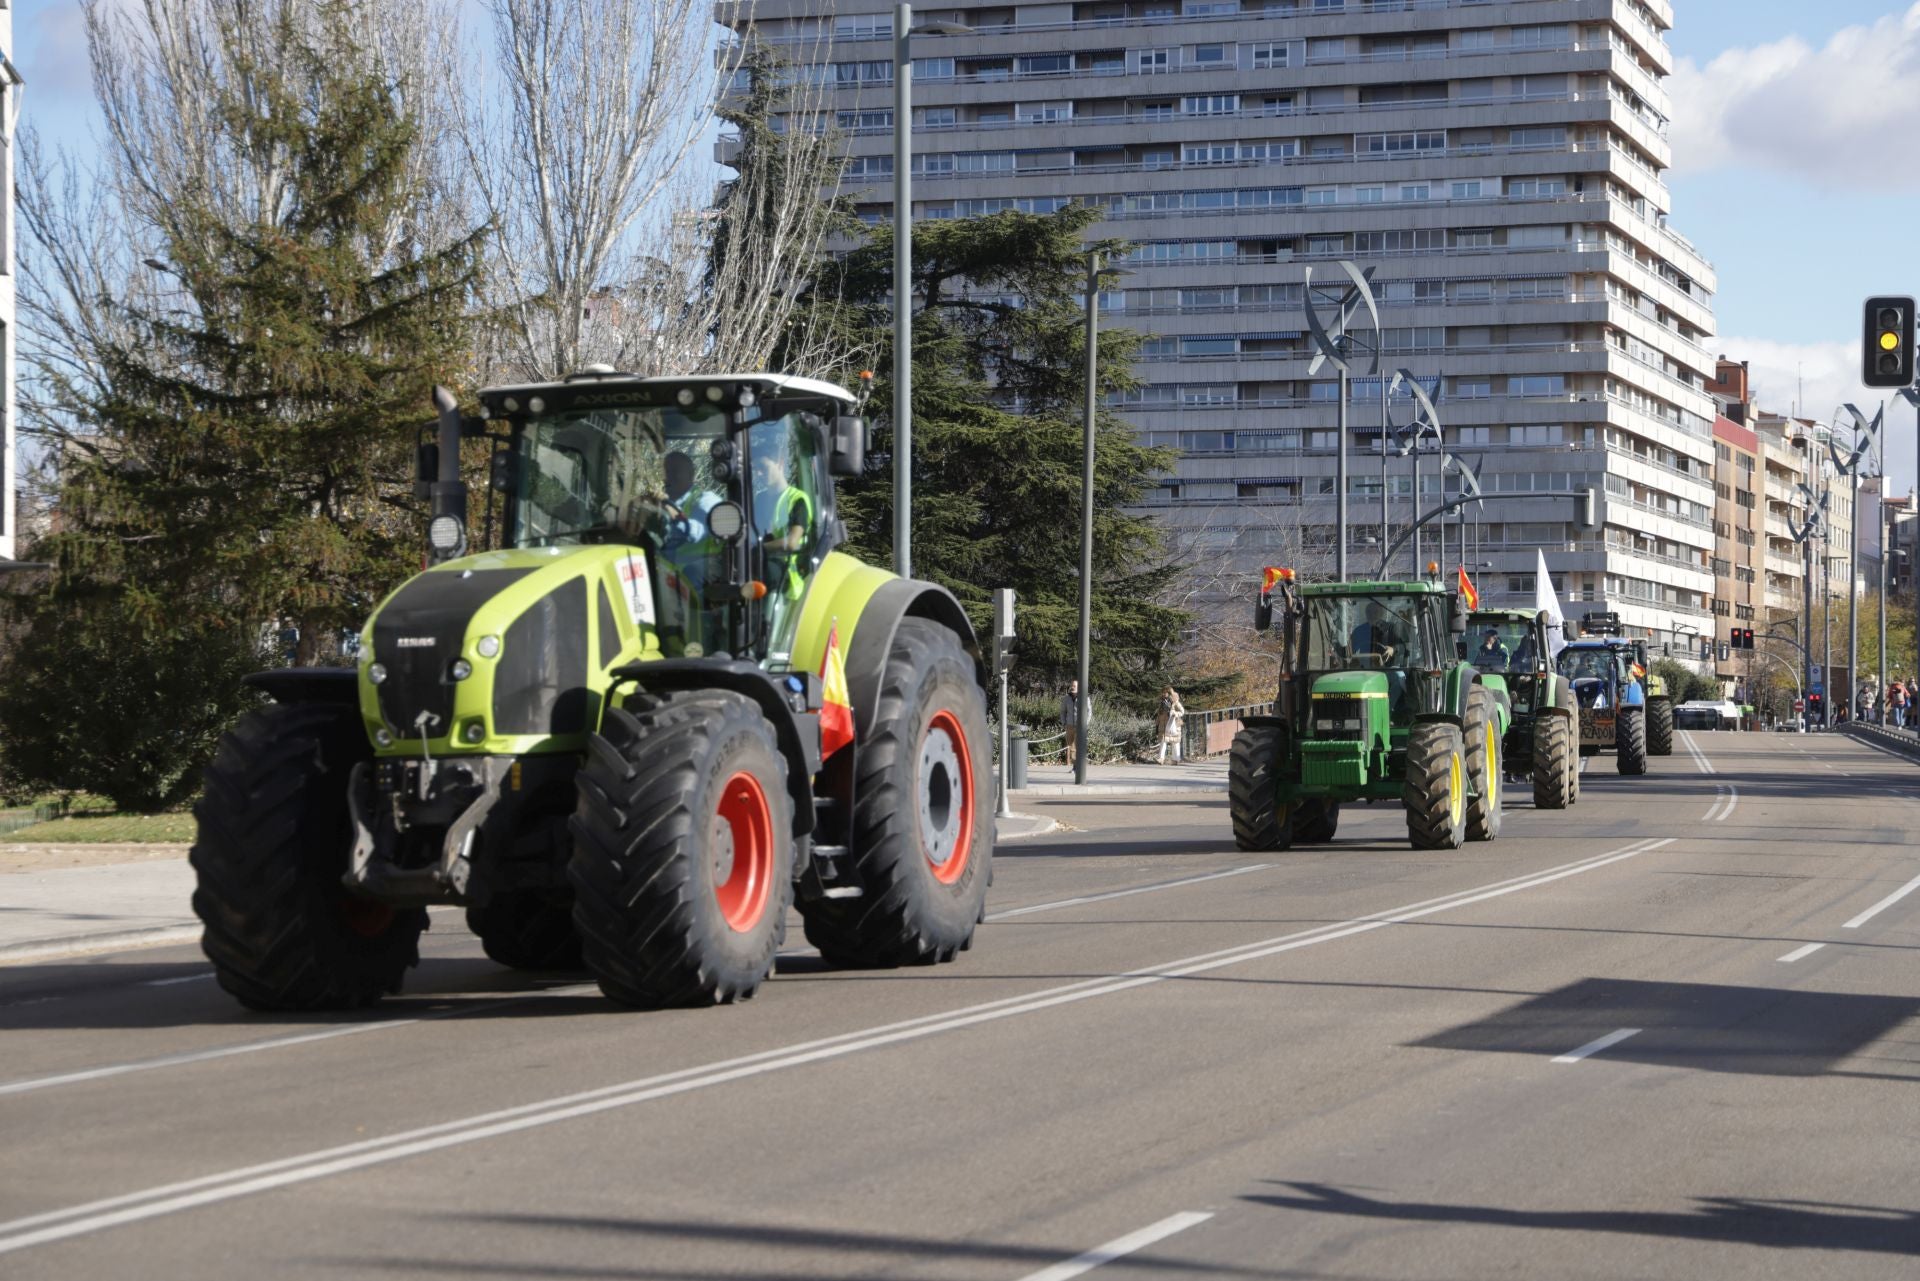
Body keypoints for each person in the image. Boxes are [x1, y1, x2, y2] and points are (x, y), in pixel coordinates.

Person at [1060, 680, 1091, 761]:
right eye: (1072, 685)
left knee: (1075, 746)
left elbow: (1089, 712)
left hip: (1080, 725)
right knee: (1069, 746)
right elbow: (1062, 711)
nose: (1072, 687)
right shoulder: (1066, 698)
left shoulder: (1085, 697)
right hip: (1069, 725)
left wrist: (1085, 723)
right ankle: (1069, 764)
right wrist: (1064, 723)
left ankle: (1076, 766)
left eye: (1074, 685)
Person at [1155, 686, 1186, 764]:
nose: (1163, 694)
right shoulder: (1162, 702)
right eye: (1163, 692)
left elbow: (1182, 711)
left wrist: (1175, 714)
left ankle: (1176, 759)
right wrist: (1157, 723)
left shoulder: (1175, 702)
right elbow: (1159, 714)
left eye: (1165, 692)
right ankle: (1161, 758)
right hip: (1164, 725)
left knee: (1175, 742)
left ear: (1169, 693)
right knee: (1163, 741)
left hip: (1174, 725)